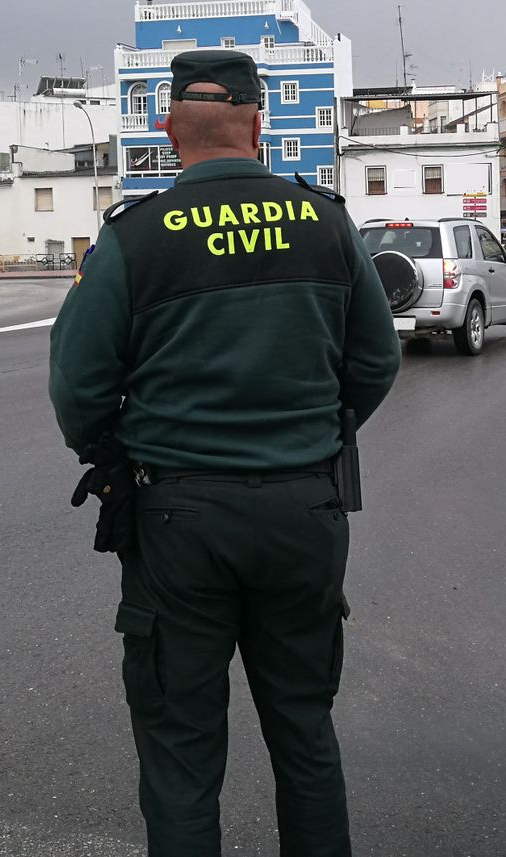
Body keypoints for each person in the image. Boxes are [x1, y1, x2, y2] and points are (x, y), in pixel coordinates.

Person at [48, 49, 401, 857]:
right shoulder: (325, 221)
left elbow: (77, 386)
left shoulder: (135, 238)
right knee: (306, 735)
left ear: (170, 129)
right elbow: (377, 362)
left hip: (178, 519)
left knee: (181, 754)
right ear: (259, 125)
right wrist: (314, 433)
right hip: (303, 509)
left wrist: (115, 450)